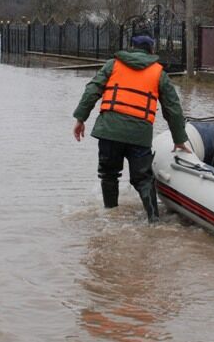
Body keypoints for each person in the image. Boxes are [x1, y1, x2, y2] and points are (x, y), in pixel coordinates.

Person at [72, 31, 190, 222]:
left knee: (109, 175)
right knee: (143, 179)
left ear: (132, 48)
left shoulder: (113, 64)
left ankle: (110, 215)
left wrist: (80, 118)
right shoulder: (159, 73)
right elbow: (173, 108)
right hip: (139, 134)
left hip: (109, 131)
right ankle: (154, 221)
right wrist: (179, 139)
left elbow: (92, 90)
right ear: (151, 50)